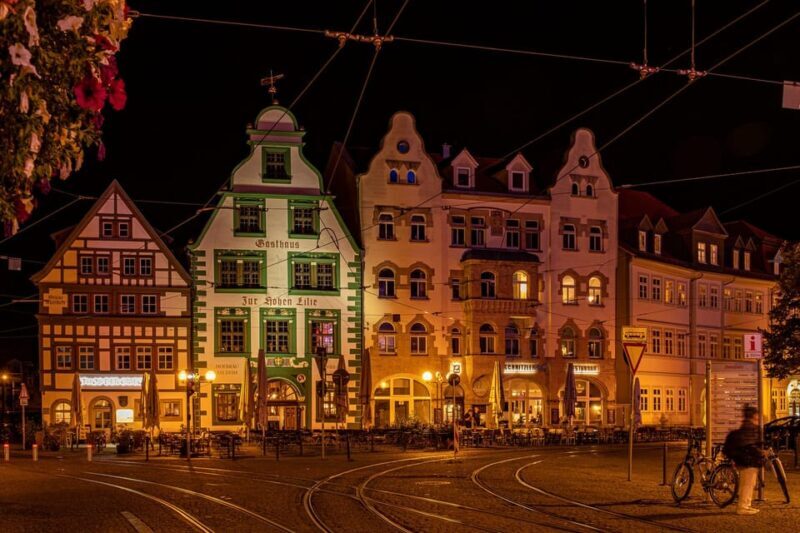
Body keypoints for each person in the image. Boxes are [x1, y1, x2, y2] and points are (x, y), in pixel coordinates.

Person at [723, 404, 765, 515]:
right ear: (753, 416)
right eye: (756, 415)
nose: (758, 417)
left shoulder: (747, 426)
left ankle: (746, 504)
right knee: (747, 484)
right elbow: (749, 445)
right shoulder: (749, 427)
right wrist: (760, 453)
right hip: (747, 461)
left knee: (748, 483)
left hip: (746, 460)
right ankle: (743, 507)